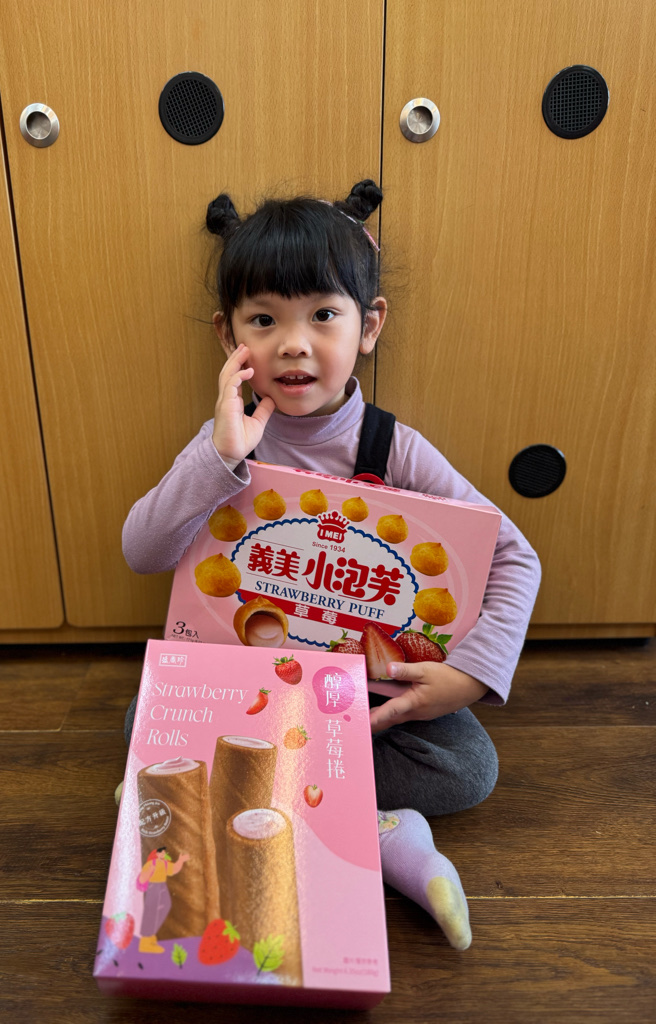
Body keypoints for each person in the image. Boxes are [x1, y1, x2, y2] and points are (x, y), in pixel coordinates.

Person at [122, 180, 541, 951]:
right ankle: (382, 834)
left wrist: (471, 674)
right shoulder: (224, 445)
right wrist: (218, 457)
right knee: (140, 723)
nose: (293, 343)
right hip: (249, 694)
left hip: (358, 699)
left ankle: (252, 803)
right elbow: (141, 550)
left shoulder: (393, 448)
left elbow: (515, 554)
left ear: (368, 325)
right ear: (227, 336)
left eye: (322, 315)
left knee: (467, 767)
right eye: (264, 320)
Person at [136, 846, 190, 953]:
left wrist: (180, 860)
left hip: (162, 886)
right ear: (156, 854)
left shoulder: (164, 864)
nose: (163, 854)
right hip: (153, 887)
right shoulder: (151, 864)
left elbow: (173, 869)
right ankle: (145, 941)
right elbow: (142, 878)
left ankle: (150, 935)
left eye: (164, 853)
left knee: (165, 905)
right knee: (151, 911)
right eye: (161, 853)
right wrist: (148, 872)